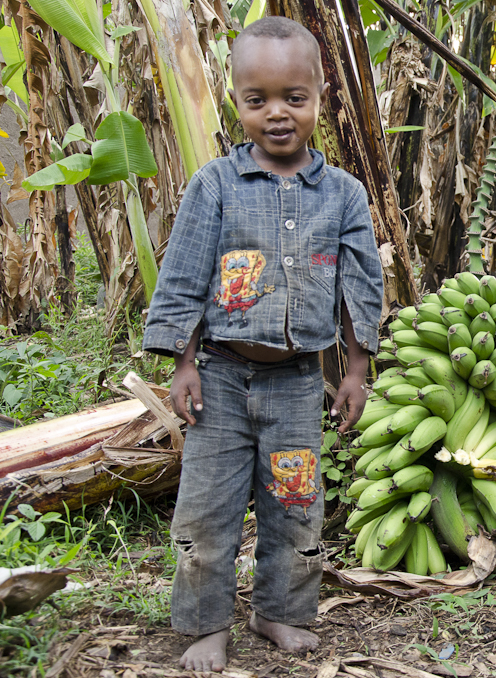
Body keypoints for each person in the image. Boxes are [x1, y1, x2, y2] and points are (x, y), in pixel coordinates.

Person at [142, 16, 384, 673]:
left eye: (293, 98)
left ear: (319, 96)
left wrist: (357, 369)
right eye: (258, 100)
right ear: (236, 102)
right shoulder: (215, 185)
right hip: (220, 379)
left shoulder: (342, 195)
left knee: (297, 510)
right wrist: (182, 362)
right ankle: (203, 624)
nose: (277, 114)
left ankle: (278, 611)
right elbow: (186, 273)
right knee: (206, 510)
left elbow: (361, 288)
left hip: (299, 385)